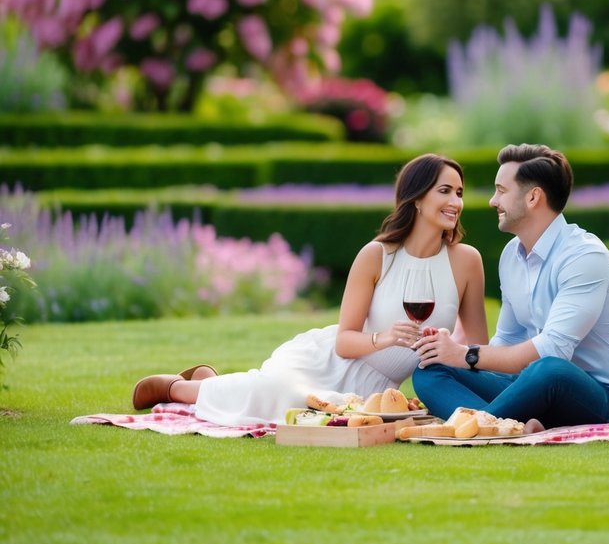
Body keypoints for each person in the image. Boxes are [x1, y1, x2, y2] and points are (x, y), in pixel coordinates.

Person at [131, 153, 488, 424]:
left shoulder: (466, 261)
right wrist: (386, 339)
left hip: (379, 389)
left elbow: (478, 345)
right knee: (282, 395)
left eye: (459, 192)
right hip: (331, 361)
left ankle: (215, 383)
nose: (456, 202)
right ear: (416, 199)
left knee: (308, 413)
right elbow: (345, 340)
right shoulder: (377, 255)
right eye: (445, 191)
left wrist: (449, 349)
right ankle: (176, 389)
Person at [412, 143, 609, 430]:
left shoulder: (584, 256)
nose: (493, 201)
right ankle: (506, 424)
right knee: (429, 368)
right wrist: (450, 352)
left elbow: (552, 349)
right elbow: (505, 342)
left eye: (501, 191)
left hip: (602, 398)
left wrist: (465, 354)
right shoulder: (511, 255)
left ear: (532, 197)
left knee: (549, 368)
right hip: (533, 387)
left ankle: (480, 427)